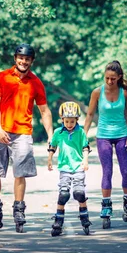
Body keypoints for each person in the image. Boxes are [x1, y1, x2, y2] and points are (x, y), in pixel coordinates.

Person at [0, 43, 53, 233]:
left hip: (23, 133)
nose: (23, 61)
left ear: (31, 62)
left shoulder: (36, 83)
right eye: (20, 58)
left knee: (20, 173)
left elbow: (44, 110)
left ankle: (19, 209)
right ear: (15, 58)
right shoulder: (2, 77)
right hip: (1, 131)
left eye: (27, 59)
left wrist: (51, 135)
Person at [84, 60, 127, 228]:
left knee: (125, 170)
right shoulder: (97, 92)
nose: (110, 82)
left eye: (113, 78)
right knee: (108, 171)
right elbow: (90, 115)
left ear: (119, 77)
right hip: (103, 135)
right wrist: (84, 135)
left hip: (122, 135)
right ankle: (106, 205)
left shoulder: (125, 93)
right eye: (107, 78)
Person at [47, 101, 91, 236]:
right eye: (67, 121)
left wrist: (85, 161)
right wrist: (50, 158)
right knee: (64, 194)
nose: (69, 124)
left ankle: (84, 217)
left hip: (78, 167)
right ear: (62, 120)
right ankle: (58, 222)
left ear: (77, 120)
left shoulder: (81, 132)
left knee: (79, 193)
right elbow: (53, 145)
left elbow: (85, 148)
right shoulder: (58, 132)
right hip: (64, 168)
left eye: (72, 121)